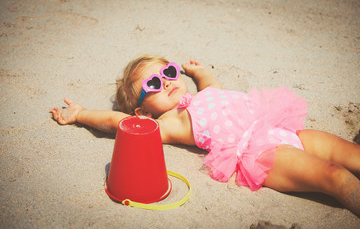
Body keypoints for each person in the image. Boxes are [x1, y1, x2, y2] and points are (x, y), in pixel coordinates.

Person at [50, 54, 360, 216]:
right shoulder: (170, 123)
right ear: (144, 113)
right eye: (153, 85)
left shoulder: (204, 93)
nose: (167, 82)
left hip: (277, 126)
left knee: (348, 153)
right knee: (334, 176)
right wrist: (80, 114)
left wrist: (198, 71)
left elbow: (212, 84)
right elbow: (117, 122)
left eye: (169, 73)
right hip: (260, 153)